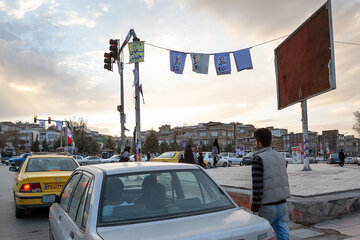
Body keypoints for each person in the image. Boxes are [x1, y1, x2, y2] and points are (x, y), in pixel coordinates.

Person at [251, 128, 290, 240]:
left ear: (259, 142)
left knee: (262, 236)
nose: (255, 143)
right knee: (284, 236)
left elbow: (257, 186)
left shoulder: (258, 159)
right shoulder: (281, 157)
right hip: (282, 205)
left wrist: (254, 209)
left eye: (255, 141)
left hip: (267, 207)